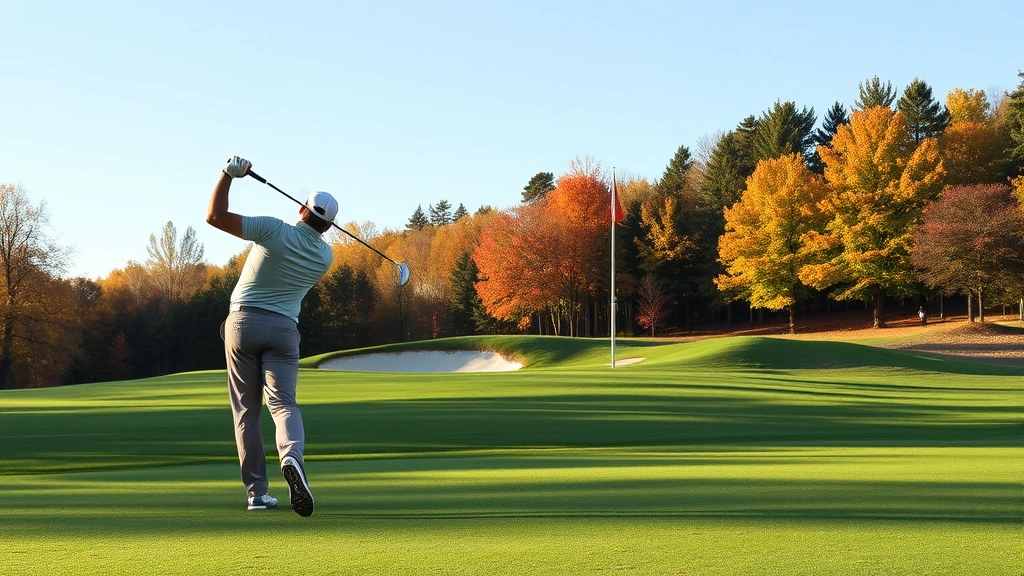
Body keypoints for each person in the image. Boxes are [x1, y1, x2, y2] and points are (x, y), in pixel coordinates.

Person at [206, 155, 337, 517]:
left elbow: (214, 216)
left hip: (242, 324)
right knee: (283, 405)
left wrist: (227, 175)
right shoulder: (326, 256)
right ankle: (291, 457)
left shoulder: (273, 229)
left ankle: (257, 494)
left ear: (301, 209)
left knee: (247, 411)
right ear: (327, 227)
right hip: (283, 331)